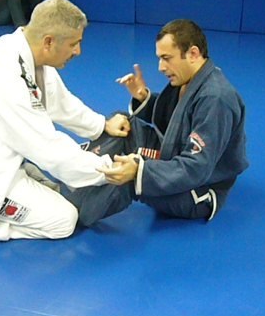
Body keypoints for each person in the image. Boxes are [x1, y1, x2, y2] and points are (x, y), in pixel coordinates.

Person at [0, 0, 130, 248]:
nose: (78, 51)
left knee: (58, 186)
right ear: (49, 42)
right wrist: (108, 171)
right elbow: (48, 149)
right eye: (73, 44)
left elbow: (59, 101)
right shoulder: (4, 79)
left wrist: (101, 125)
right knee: (64, 219)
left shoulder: (20, 49)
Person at [65, 19, 248, 225]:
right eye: (160, 59)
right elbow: (178, 121)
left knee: (130, 179)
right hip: (173, 156)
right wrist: (144, 98)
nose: (161, 67)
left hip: (196, 191)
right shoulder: (190, 79)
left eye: (166, 58)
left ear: (193, 54)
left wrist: (140, 171)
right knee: (122, 124)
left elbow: (197, 168)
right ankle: (73, 173)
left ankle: (69, 212)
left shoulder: (216, 99)